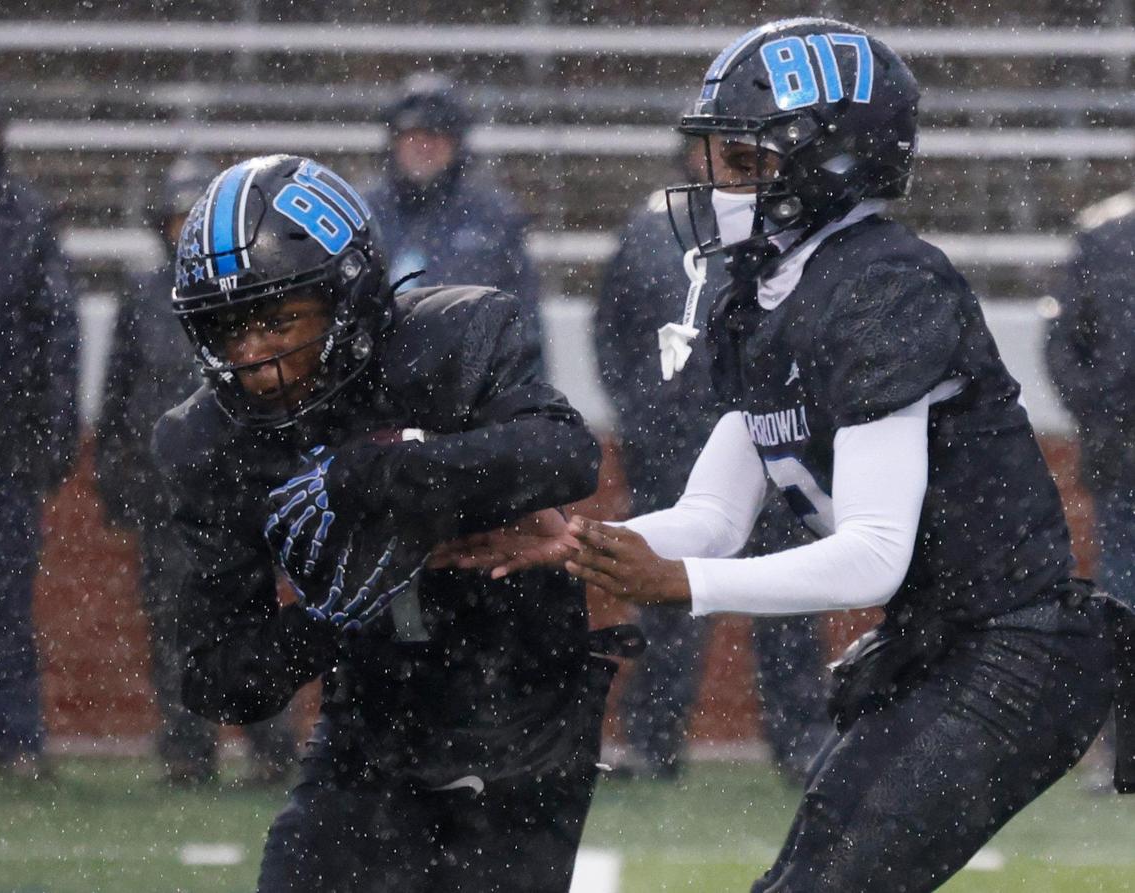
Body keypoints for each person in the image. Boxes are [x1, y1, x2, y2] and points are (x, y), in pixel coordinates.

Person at [437, 19, 1132, 892]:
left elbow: (875, 555)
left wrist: (685, 584)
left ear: (825, 164)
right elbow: (716, 516)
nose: (710, 182)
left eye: (739, 160)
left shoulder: (883, 285)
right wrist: (578, 543)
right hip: (940, 646)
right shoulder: (767, 293)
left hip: (1014, 655)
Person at [152, 155, 618, 892]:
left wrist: (370, 478)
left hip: (519, 696)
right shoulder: (208, 441)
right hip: (372, 712)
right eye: (228, 327)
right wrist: (328, 619)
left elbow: (564, 455)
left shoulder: (451, 334)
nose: (255, 357)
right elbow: (218, 680)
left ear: (349, 297)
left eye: (277, 319)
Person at [595, 142, 829, 782]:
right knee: (666, 596)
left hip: (770, 434)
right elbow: (612, 332)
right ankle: (652, 741)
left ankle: (803, 739)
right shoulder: (651, 229)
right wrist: (643, 415)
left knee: (787, 593)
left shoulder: (785, 223)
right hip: (675, 439)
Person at [96, 155, 297, 786]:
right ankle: (187, 752)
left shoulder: (255, 293)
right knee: (173, 627)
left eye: (195, 220)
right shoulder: (143, 297)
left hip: (240, 492)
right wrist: (115, 477)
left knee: (251, 619)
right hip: (166, 496)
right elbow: (120, 398)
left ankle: (270, 750)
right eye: (176, 218)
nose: (184, 232)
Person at [0, 94, 80, 779]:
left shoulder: (28, 220)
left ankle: (18, 742)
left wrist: (50, 438)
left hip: (5, 449)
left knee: (6, 599)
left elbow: (57, 338)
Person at [1046, 190, 1135, 790]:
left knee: (1124, 597)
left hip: (1118, 447)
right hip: (1120, 452)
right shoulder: (1102, 236)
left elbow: (1063, 346)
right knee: (1123, 598)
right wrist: (1108, 421)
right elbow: (1063, 347)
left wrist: (1106, 418)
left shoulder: (1103, 235)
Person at [363, 73, 542, 344]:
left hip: (467, 377)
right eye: (413, 135)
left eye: (436, 134)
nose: (424, 147)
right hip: (375, 378)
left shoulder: (494, 217)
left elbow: (523, 321)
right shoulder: (360, 212)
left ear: (457, 143)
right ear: (394, 140)